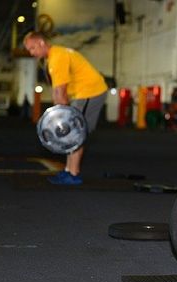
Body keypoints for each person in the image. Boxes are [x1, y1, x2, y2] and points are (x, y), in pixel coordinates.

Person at [24, 31, 108, 185]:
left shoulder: (57, 58)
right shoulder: (55, 55)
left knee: (75, 132)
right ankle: (68, 171)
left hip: (91, 91)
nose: (31, 53)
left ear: (42, 43)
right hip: (81, 93)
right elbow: (59, 93)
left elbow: (60, 92)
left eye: (32, 48)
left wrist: (60, 120)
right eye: (29, 50)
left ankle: (73, 174)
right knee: (70, 131)